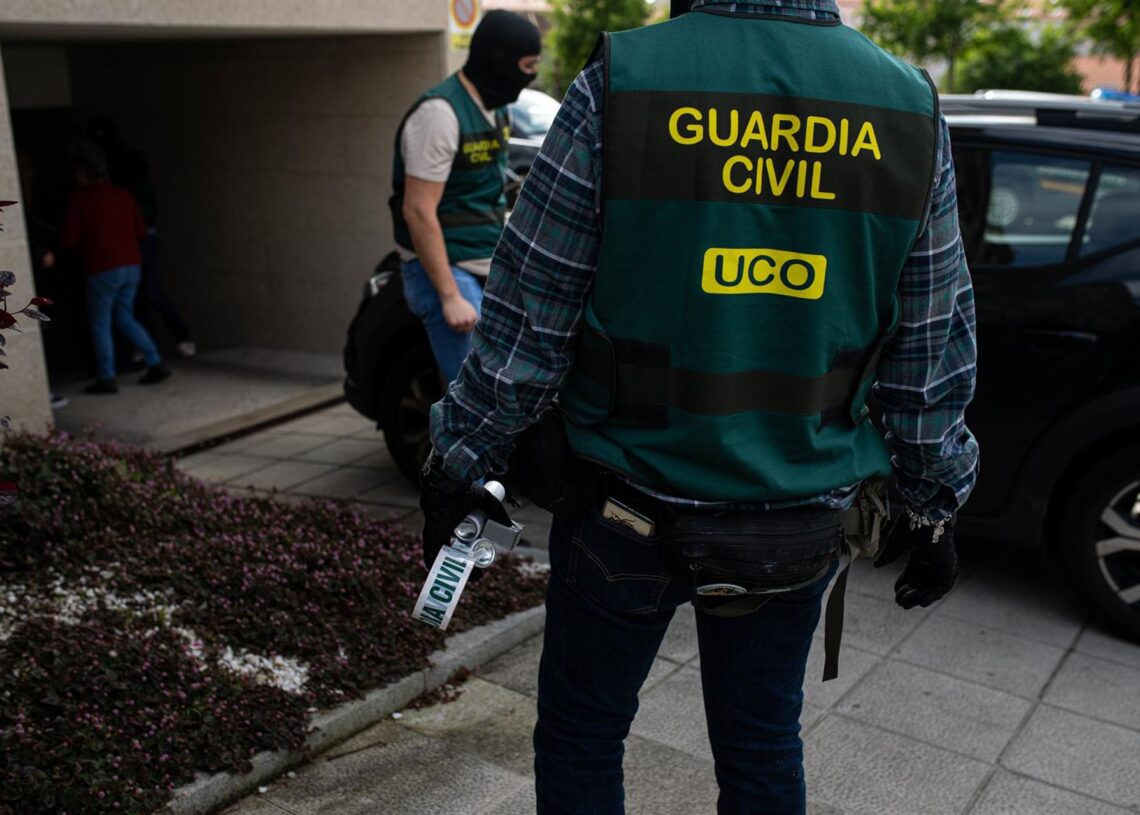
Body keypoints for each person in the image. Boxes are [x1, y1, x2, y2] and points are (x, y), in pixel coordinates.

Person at [418, 1, 980, 812]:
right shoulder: (907, 107)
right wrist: (934, 508)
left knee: (583, 733)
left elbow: (530, 311)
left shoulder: (624, 80)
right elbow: (929, 356)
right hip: (796, 517)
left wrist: (460, 458)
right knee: (761, 746)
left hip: (623, 503)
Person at [389, 10, 541, 384]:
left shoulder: (497, 110)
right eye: (528, 65)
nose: (533, 74)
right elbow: (418, 210)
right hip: (448, 270)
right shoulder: (440, 115)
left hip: (485, 262)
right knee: (476, 395)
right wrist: (449, 295)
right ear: (499, 62)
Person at [52, 143, 171, 394]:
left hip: (101, 268)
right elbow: (140, 230)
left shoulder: (80, 199)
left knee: (100, 323)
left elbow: (68, 240)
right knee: (125, 317)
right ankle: (155, 361)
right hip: (131, 265)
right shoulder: (123, 195)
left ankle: (107, 376)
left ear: (84, 173)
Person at [89, 116, 197, 359]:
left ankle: (179, 337)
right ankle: (147, 346)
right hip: (128, 242)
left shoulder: (129, 173)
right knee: (135, 297)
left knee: (151, 292)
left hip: (140, 238)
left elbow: (145, 212)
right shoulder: (114, 182)